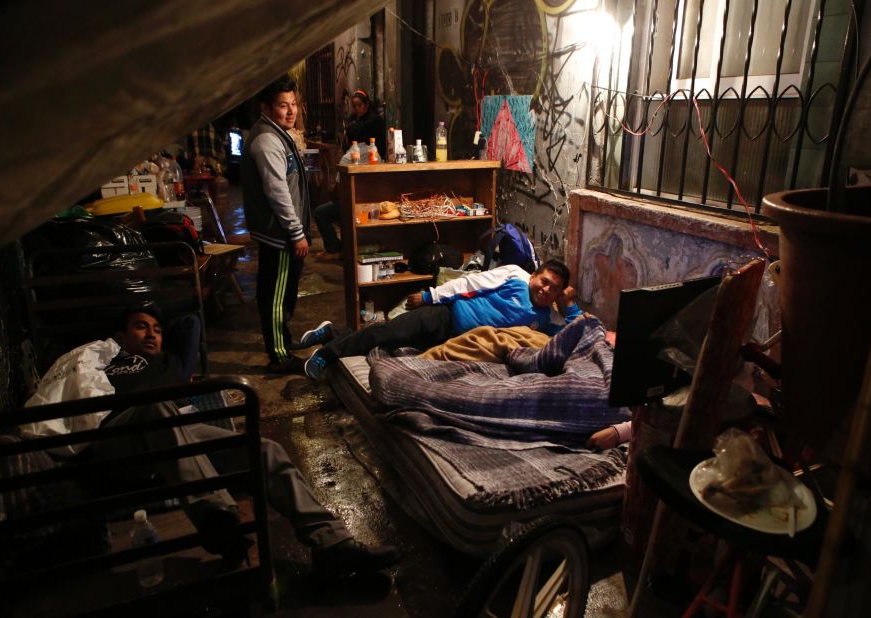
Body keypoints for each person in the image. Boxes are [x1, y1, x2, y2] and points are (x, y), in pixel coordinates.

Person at [33, 303, 399, 576]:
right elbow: (73, 396)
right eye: (140, 327)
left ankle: (331, 542)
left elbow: (189, 319)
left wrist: (155, 327)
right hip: (114, 438)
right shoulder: (104, 362)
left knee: (264, 450)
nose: (151, 334)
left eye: (157, 329)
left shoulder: (170, 364)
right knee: (156, 410)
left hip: (170, 435)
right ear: (120, 335)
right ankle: (217, 514)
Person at [298, 259, 582, 379]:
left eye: (554, 289)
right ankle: (327, 353)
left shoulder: (548, 318)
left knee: (391, 346)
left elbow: (578, 331)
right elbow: (472, 282)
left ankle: (333, 332)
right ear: (534, 276)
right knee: (386, 333)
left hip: (456, 343)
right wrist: (432, 296)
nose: (546, 290)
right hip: (444, 316)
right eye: (544, 281)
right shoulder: (515, 275)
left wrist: (569, 304)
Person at [241, 76, 312, 373]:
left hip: (282, 231)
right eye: (283, 105)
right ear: (266, 107)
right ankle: (279, 356)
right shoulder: (268, 139)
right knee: (275, 295)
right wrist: (296, 233)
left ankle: (282, 341)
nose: (291, 111)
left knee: (282, 292)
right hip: (278, 233)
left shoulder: (278, 133)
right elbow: (277, 191)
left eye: (293, 104)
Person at [343, 89, 386, 160]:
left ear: (367, 104)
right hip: (357, 156)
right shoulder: (352, 119)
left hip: (374, 157)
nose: (357, 108)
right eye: (354, 106)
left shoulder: (375, 119)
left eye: (359, 105)